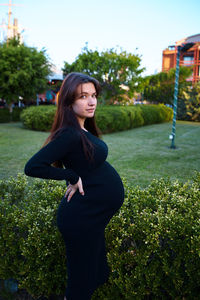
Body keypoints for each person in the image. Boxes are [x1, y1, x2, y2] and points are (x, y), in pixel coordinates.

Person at [24, 72, 125, 300]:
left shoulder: (82, 129)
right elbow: (33, 166)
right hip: (81, 220)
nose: (92, 102)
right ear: (69, 101)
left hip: (92, 219)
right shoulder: (69, 134)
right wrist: (70, 175)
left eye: (94, 95)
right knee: (79, 285)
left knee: (91, 276)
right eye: (83, 96)